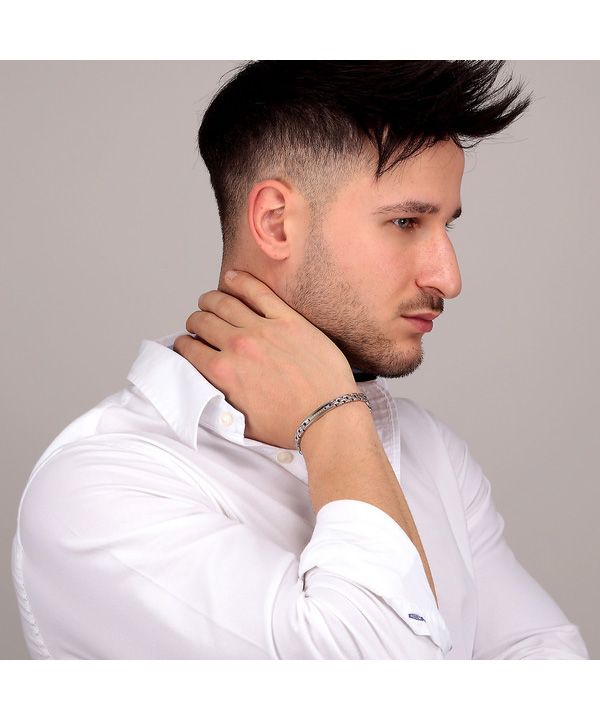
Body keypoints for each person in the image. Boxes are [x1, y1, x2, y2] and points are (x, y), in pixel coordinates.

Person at [12, 61, 589, 659]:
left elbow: (546, 657)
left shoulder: (431, 451)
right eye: (406, 222)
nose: (448, 277)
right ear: (275, 222)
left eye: (446, 226)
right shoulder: (98, 488)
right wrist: (334, 420)